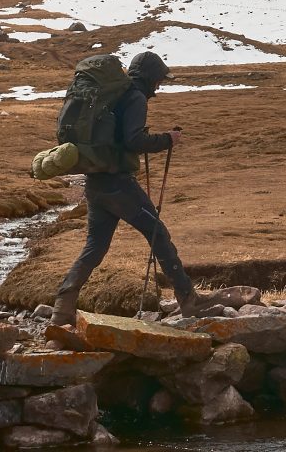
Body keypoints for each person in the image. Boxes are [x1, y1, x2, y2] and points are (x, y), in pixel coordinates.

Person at [51, 52, 212, 326]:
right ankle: (188, 300)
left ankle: (61, 308)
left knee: (95, 246)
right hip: (118, 185)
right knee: (158, 233)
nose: (160, 85)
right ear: (150, 76)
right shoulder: (135, 97)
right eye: (160, 79)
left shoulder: (116, 95)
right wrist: (166, 139)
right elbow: (133, 140)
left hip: (96, 183)